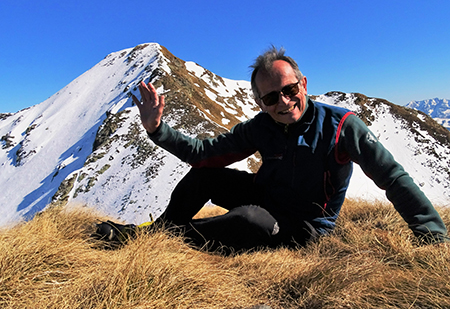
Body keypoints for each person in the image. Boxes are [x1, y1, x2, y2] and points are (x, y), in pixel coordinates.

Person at [97, 46, 448, 253]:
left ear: (303, 84)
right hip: (266, 195)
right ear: (260, 102)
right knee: (204, 175)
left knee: (247, 222)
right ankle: (153, 232)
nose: (283, 101)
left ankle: (157, 241)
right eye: (270, 97)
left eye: (289, 89)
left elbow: (392, 177)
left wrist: (432, 235)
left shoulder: (342, 126)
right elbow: (204, 153)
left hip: (306, 226)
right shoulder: (261, 126)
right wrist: (156, 129)